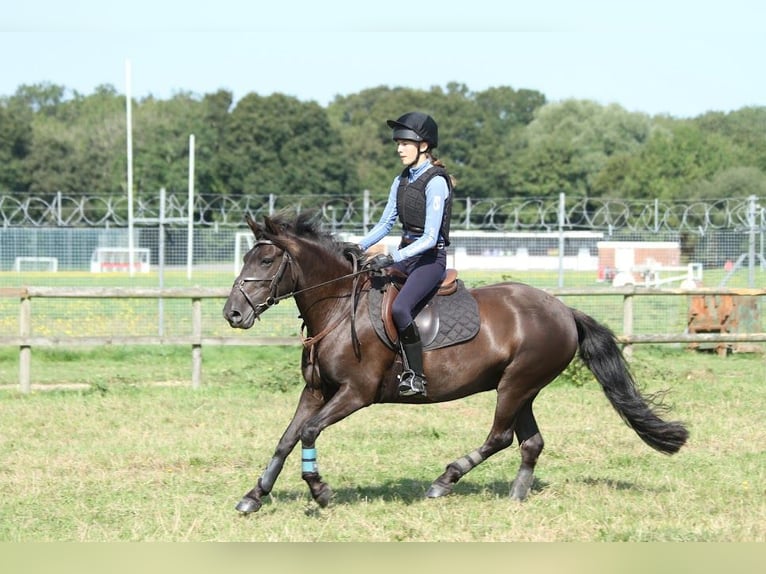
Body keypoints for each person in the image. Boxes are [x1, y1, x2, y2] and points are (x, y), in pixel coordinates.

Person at [359, 111, 454, 397]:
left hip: (428, 261)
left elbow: (429, 238)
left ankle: (416, 376)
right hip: (405, 257)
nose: (399, 149)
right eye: (397, 143)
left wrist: (392, 257)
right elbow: (385, 224)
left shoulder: (436, 182)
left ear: (423, 146)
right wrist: (356, 248)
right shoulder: (400, 180)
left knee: (400, 308)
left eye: (405, 143)